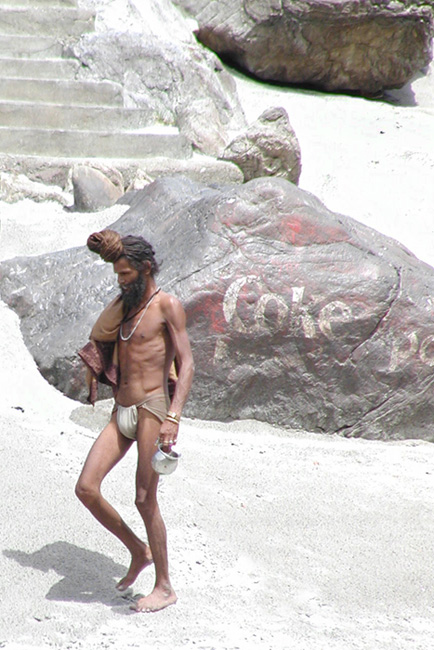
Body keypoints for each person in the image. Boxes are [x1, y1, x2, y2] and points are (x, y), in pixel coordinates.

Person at [75, 229, 194, 613]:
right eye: (118, 275)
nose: (121, 281)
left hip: (153, 408)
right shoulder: (123, 308)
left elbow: (187, 364)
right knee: (86, 489)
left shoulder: (167, 306)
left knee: (145, 499)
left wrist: (173, 416)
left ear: (145, 268)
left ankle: (165, 586)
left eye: (126, 274)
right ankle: (138, 551)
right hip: (121, 409)